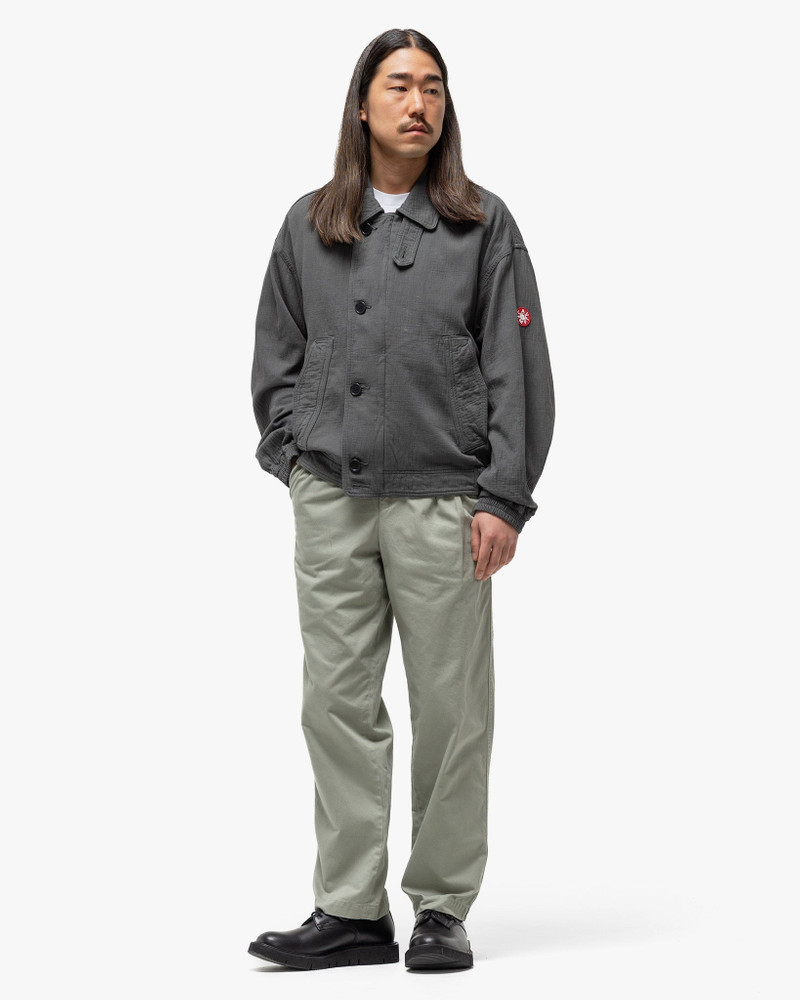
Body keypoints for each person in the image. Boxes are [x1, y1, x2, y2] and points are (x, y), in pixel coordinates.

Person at [247, 27, 555, 972]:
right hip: (333, 497)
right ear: (362, 104)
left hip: (446, 501)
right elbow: (276, 354)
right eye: (398, 85)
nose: (418, 103)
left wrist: (503, 495)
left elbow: (516, 366)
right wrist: (296, 458)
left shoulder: (482, 224)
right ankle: (349, 909)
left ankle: (441, 907)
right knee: (335, 702)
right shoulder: (309, 224)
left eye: (433, 87)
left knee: (453, 710)